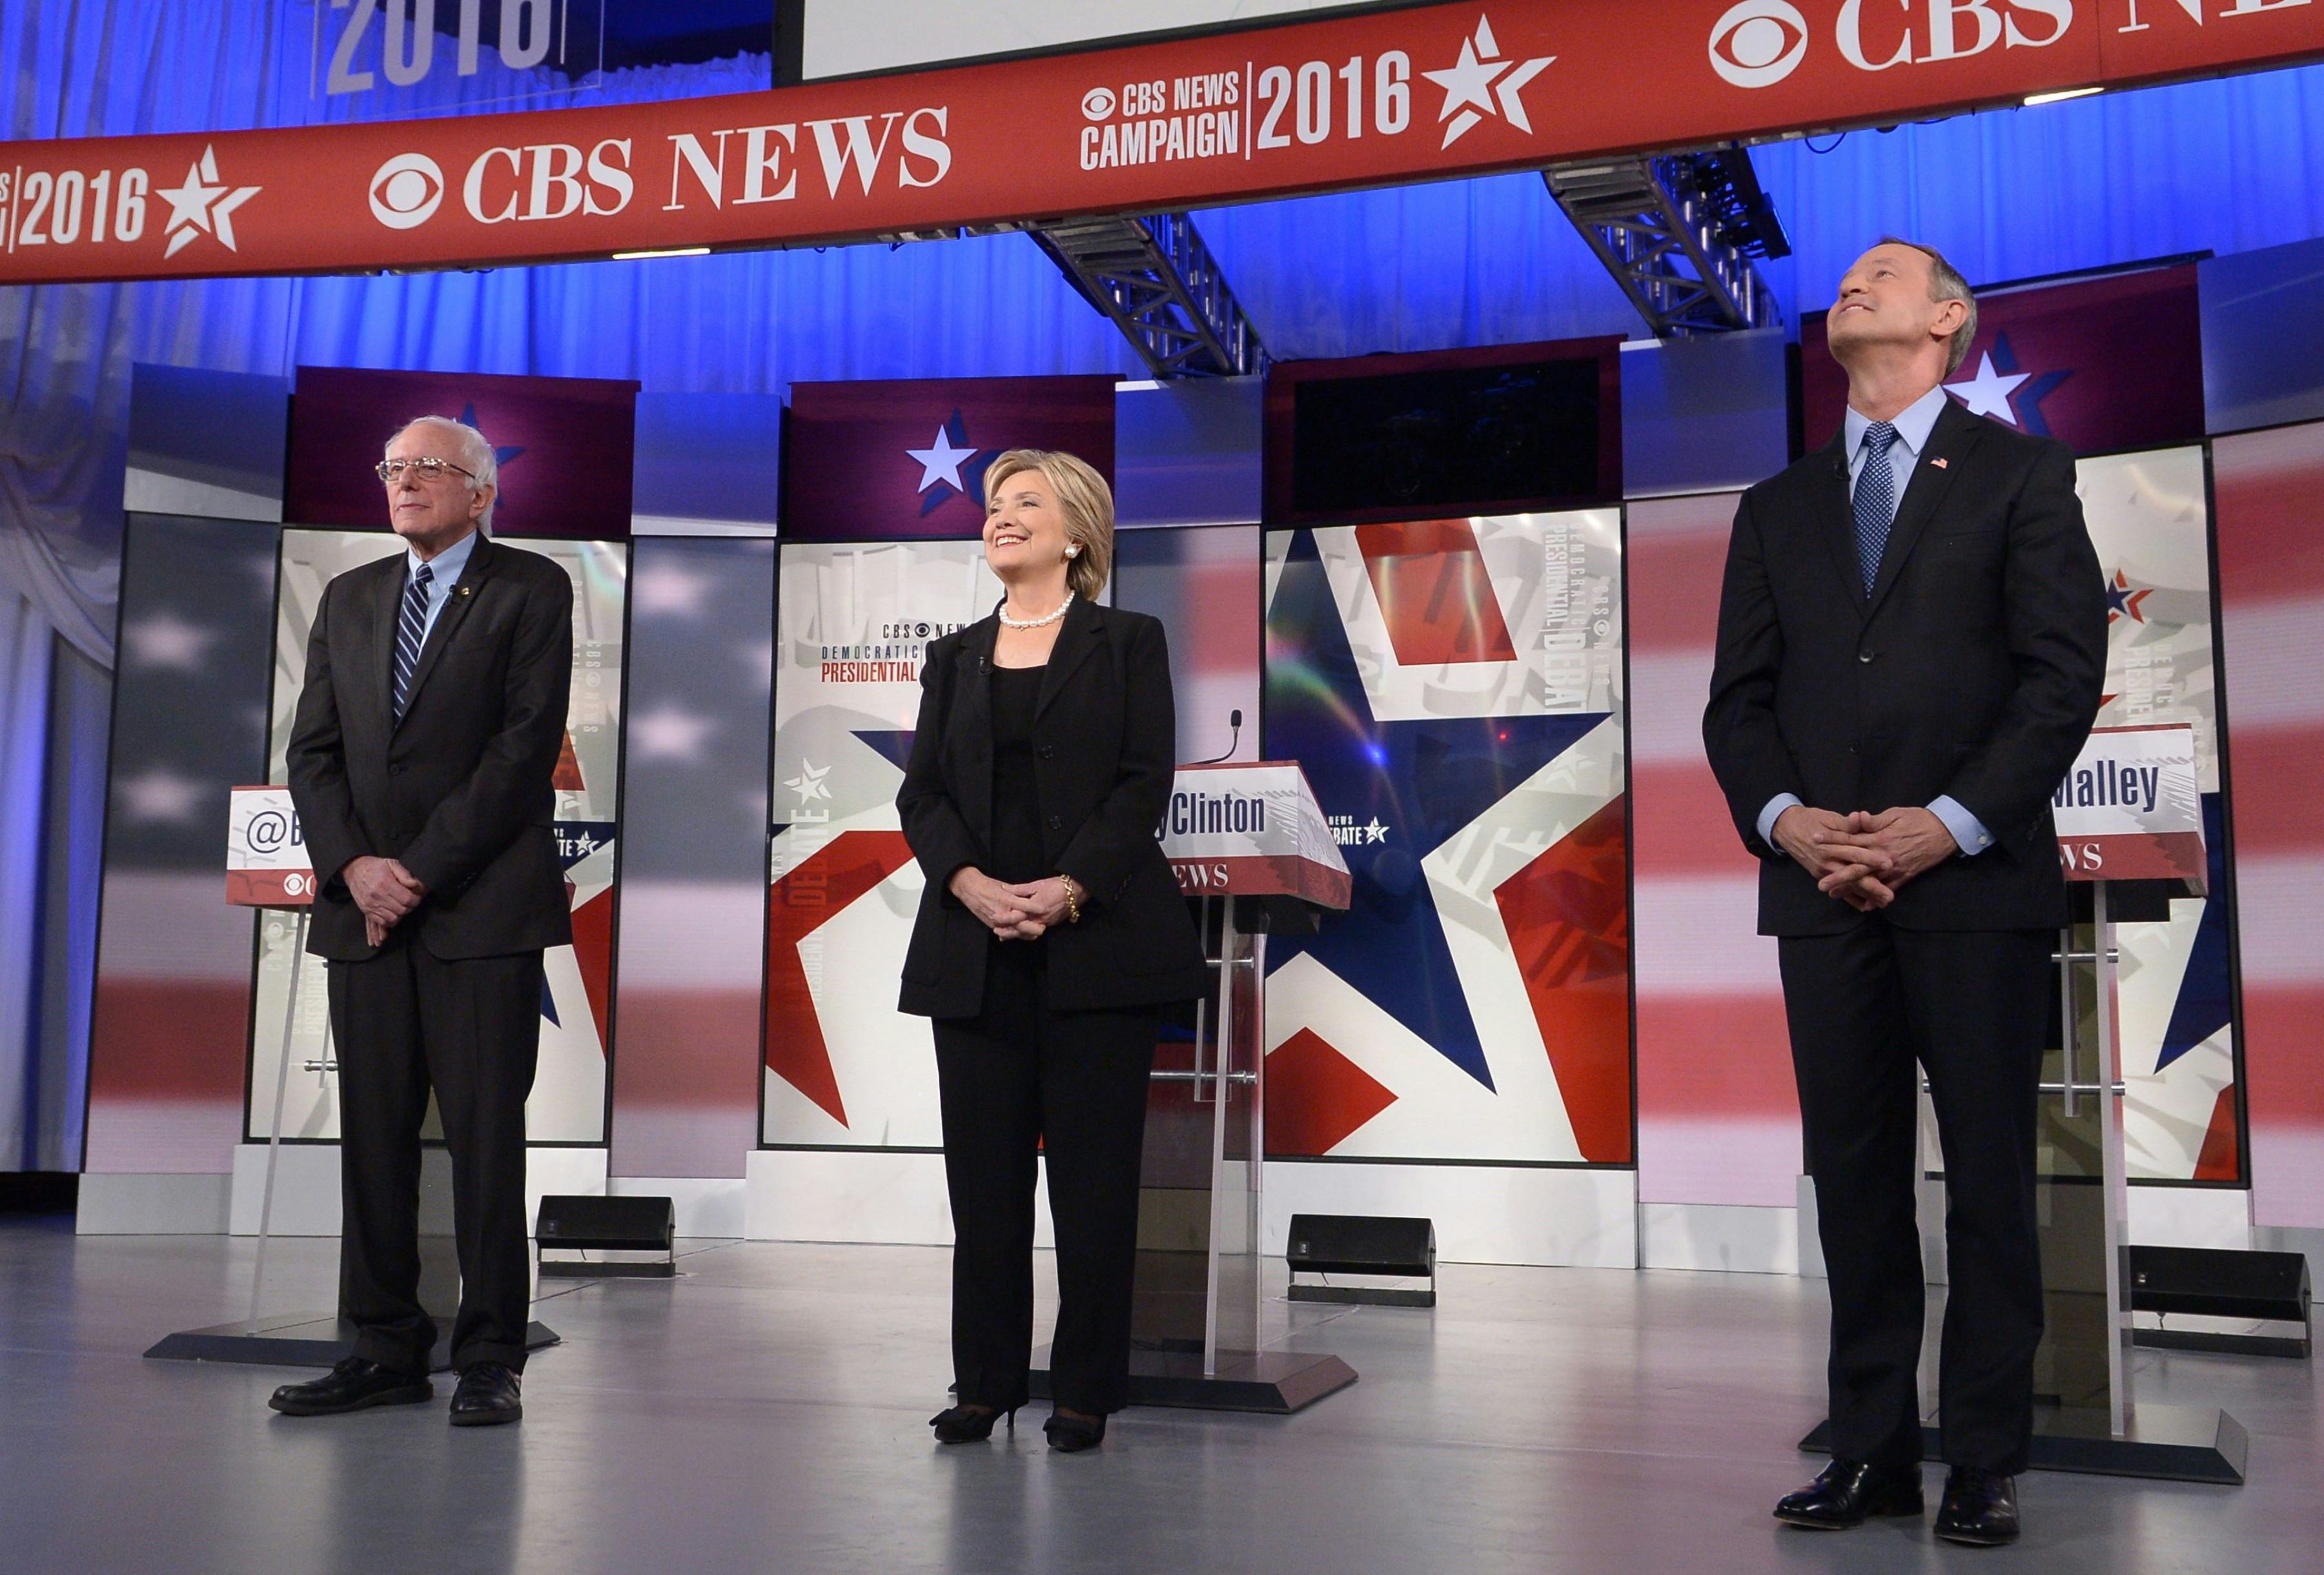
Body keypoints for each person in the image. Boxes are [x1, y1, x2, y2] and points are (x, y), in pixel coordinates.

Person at [1703, 239, 2106, 1546]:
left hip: (1974, 883)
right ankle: (1870, 1447)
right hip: (1823, 892)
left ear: (1948, 319)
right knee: (1856, 1179)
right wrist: (1788, 821)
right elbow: (1737, 704)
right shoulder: (1776, 505)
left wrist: (1949, 822)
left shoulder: (2021, 473)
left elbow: (2061, 677)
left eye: (1885, 272)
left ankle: (1984, 1455)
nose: (1852, 284)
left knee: (1988, 1173)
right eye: (1847, 277)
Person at [897, 448, 1210, 1454]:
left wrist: (1068, 889)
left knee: (1094, 1186)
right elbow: (921, 795)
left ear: (1076, 532)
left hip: (1099, 948)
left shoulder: (1129, 642)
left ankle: (1084, 1389)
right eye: (994, 502)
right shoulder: (953, 657)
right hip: (974, 950)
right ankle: (984, 1384)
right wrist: (969, 882)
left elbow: (1142, 782)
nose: (1000, 514)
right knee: (984, 1190)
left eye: (1025, 501)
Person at [273, 414, 575, 1427]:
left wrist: (416, 871)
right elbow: (312, 752)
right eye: (393, 467)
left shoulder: (531, 588)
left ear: (482, 493)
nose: (404, 482)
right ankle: (383, 1348)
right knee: (374, 1141)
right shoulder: (351, 596)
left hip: (480, 912)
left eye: (428, 468)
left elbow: (522, 751)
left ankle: (489, 1355)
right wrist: (354, 867)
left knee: (486, 1141)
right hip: (364, 917)